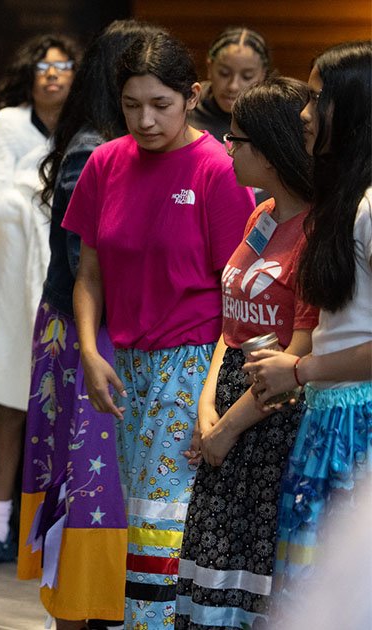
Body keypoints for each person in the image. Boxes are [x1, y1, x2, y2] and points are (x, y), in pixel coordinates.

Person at [62, 31, 254, 630]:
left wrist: (214, 387)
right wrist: (91, 351)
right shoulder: (104, 162)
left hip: (195, 359)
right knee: (140, 509)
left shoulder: (217, 168)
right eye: (131, 105)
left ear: (192, 95)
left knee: (165, 516)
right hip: (126, 362)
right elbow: (87, 273)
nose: (145, 120)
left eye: (160, 105)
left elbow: (238, 291)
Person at [15, 20, 163, 630]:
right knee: (87, 485)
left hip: (104, 330)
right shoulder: (92, 148)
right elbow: (87, 267)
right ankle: (78, 611)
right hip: (87, 332)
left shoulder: (127, 144)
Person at [175, 77, 317, 629]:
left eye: (237, 139)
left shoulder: (318, 232)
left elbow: (298, 356)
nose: (227, 148)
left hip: (273, 423)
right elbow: (230, 326)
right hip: (228, 409)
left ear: (273, 149)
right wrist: (207, 408)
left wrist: (228, 429)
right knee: (207, 580)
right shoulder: (261, 216)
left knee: (250, 588)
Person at [243, 40, 372, 604]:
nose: (303, 112)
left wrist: (298, 369)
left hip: (359, 416)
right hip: (330, 409)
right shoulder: (343, 200)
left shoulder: (368, 206)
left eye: (317, 98)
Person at [0, 33, 80, 568]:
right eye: (43, 67)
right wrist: (45, 198)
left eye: (64, 66)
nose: (52, 75)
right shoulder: (8, 122)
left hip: (70, 277)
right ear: (29, 74)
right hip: (11, 282)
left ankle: (62, 529)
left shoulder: (89, 127)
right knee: (9, 402)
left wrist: (32, 193)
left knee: (74, 408)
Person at [187, 27, 271, 142]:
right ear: (209, 68)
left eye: (247, 76)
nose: (233, 86)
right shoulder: (187, 106)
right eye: (224, 73)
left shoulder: (272, 117)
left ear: (263, 74)